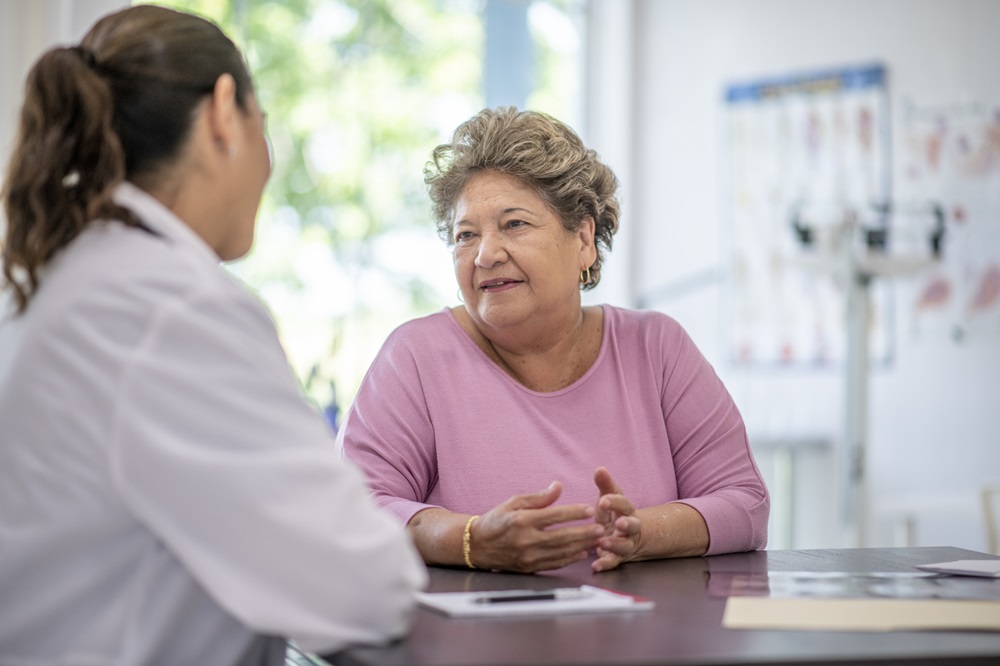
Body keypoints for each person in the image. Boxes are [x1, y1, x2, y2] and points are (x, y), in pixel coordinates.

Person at [0, 6, 425, 665]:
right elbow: (366, 587)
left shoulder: (72, 275)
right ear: (224, 112)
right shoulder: (167, 307)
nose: (269, 162)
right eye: (265, 127)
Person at [339, 107, 769, 575]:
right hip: (473, 642)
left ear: (583, 238)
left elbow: (745, 505)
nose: (485, 254)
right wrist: (470, 540)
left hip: (642, 636)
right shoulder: (417, 357)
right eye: (466, 235)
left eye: (514, 224)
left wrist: (642, 533)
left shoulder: (655, 347)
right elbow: (353, 509)